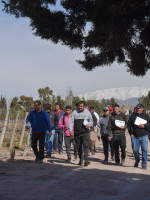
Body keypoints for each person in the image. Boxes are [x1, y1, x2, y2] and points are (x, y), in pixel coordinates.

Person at [69, 101, 93, 166]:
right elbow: (71, 121)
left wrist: (89, 124)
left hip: (85, 132)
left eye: (81, 106)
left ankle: (86, 160)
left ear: (84, 106)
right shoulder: (74, 112)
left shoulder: (88, 112)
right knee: (78, 147)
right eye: (79, 106)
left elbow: (91, 121)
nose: (80, 107)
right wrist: (71, 129)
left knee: (85, 146)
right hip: (77, 133)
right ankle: (81, 159)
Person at [128, 104, 150, 169]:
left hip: (144, 136)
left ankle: (144, 164)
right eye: (137, 108)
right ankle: (137, 160)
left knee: (144, 150)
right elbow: (128, 125)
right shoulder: (132, 116)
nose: (137, 109)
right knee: (135, 150)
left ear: (142, 109)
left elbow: (149, 125)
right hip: (135, 136)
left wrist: (144, 126)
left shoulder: (146, 116)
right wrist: (131, 134)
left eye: (139, 108)